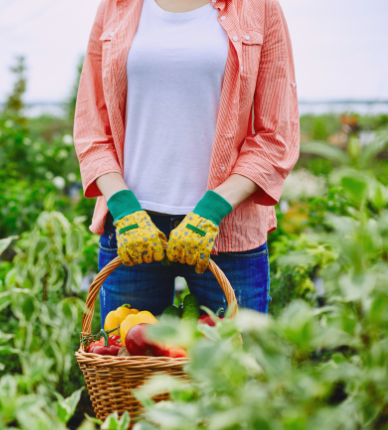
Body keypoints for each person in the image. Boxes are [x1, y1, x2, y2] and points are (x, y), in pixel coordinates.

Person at [74, 0, 299, 326]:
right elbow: (91, 125)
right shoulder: (115, 5)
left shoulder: (258, 7)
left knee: (234, 368)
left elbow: (276, 134)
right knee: (130, 371)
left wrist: (212, 209)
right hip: (132, 228)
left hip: (227, 229)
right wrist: (122, 207)